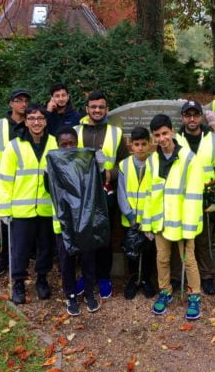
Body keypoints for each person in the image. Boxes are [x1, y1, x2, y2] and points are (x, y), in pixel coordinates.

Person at [141, 114, 205, 320]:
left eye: (165, 133)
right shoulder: (152, 161)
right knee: (162, 259)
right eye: (157, 135)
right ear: (154, 137)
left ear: (172, 132)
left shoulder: (189, 159)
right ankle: (165, 291)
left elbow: (194, 195)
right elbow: (149, 194)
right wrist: (148, 224)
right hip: (161, 221)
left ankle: (194, 295)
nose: (162, 138)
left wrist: (189, 227)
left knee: (189, 261)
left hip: (183, 223)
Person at [0, 104, 58, 305]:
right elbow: (5, 180)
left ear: (46, 121)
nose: (36, 122)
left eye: (40, 118)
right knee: (20, 249)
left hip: (46, 208)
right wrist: (4, 209)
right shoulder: (14, 146)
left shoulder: (54, 144)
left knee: (45, 248)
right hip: (21, 210)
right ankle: (18, 283)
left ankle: (42, 279)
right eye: (32, 118)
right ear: (25, 121)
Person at [74, 91, 128, 298]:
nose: (97, 110)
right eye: (93, 106)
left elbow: (124, 164)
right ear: (87, 108)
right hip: (82, 195)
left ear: (106, 109)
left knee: (104, 236)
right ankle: (86, 276)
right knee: (85, 236)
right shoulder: (76, 131)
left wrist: (110, 173)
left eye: (101, 107)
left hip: (107, 192)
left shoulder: (116, 133)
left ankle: (104, 276)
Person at [175, 100, 215, 295]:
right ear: (182, 117)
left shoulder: (214, 140)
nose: (192, 119)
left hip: (206, 199)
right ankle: (180, 275)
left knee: (204, 240)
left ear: (201, 117)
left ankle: (206, 276)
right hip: (182, 199)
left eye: (195, 115)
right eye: (188, 115)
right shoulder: (175, 139)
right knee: (181, 238)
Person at [49, 127, 100, 315]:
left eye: (72, 143)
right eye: (64, 145)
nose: (69, 147)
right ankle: (70, 295)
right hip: (63, 223)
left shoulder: (84, 163)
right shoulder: (52, 165)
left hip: (84, 221)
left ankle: (89, 292)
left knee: (88, 259)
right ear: (58, 146)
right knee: (66, 261)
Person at [0, 89, 30, 275]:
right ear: (10, 104)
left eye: (25, 101)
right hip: (6, 183)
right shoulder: (0, 126)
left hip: (27, 183)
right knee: (6, 224)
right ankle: (4, 258)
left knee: (27, 224)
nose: (23, 104)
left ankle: (25, 258)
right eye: (18, 100)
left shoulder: (33, 123)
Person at [117, 126, 157, 300]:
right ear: (131, 145)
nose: (140, 148)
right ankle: (133, 279)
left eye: (143, 144)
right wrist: (129, 215)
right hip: (131, 219)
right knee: (132, 251)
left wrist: (149, 217)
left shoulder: (155, 163)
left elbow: (157, 192)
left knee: (149, 251)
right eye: (136, 144)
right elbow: (121, 192)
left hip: (149, 219)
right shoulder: (124, 165)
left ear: (149, 145)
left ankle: (147, 279)